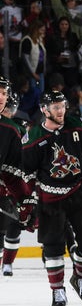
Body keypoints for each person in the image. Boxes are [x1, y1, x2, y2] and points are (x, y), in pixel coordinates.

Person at [20, 91, 82, 306]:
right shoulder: (34, 137)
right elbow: (27, 174)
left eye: (62, 106)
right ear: (44, 110)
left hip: (79, 193)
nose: (60, 111)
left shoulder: (78, 127)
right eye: (55, 107)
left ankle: (79, 278)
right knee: (52, 245)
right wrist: (28, 203)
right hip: (50, 197)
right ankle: (57, 290)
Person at [0, 77, 27, 277]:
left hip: (5, 192)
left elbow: (15, 171)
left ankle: (7, 262)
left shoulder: (13, 130)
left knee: (12, 226)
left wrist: (25, 199)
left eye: (3, 94)